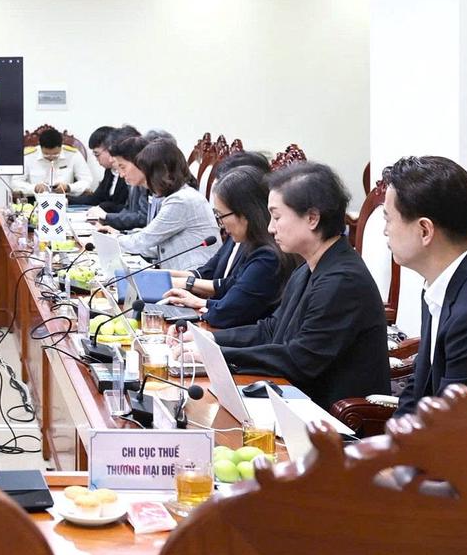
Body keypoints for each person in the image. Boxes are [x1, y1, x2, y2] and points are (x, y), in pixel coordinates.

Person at [183, 162, 390, 409]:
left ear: (312, 218)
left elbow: (300, 360)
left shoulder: (343, 280)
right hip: (293, 396)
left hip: (329, 416)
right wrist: (210, 340)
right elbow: (272, 330)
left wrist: (217, 355)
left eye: (277, 217)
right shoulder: (309, 266)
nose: (270, 227)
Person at [382, 156, 467, 417]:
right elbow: (418, 389)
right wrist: (391, 435)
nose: (385, 231)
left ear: (425, 230)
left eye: (388, 219)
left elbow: (453, 425)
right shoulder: (440, 283)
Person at [159, 166, 289, 328]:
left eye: (221, 216)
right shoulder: (247, 242)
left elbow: (226, 312)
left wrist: (199, 300)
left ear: (245, 213)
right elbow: (228, 283)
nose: (219, 224)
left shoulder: (268, 257)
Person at [103, 139, 218, 271]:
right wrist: (119, 238)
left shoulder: (180, 200)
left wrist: (108, 242)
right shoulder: (169, 196)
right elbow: (154, 244)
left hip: (193, 275)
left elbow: (144, 240)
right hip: (176, 271)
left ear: (159, 172)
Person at [11, 127, 94, 199]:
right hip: (35, 201)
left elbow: (87, 180)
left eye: (55, 154)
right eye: (46, 154)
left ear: (61, 146)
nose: (51, 157)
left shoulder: (73, 154)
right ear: (40, 147)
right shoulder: (28, 156)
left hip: (66, 200)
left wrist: (68, 187)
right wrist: (34, 188)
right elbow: (15, 183)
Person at [91, 132, 151, 230]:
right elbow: (127, 210)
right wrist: (109, 222)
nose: (122, 175)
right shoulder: (137, 181)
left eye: (123, 167)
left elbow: (143, 219)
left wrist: (107, 217)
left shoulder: (153, 188)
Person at [69, 127, 129, 211]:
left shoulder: (128, 173)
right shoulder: (109, 171)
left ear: (110, 148)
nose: (97, 160)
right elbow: (95, 199)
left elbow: (128, 208)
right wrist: (68, 199)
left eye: (97, 155)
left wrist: (105, 207)